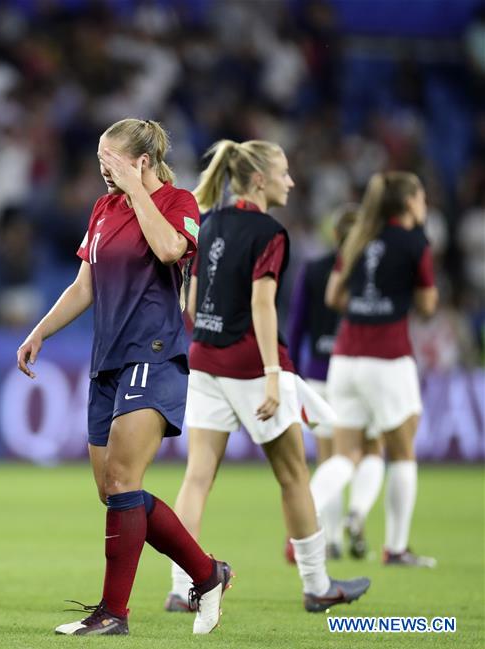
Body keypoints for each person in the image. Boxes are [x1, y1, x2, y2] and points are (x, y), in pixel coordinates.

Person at [17, 119, 231, 637]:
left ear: (141, 161)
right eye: (98, 160)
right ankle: (208, 573)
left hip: (155, 354)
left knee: (122, 483)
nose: (102, 169)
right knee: (113, 493)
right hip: (107, 358)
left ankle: (114, 613)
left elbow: (168, 251)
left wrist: (137, 189)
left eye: (110, 160)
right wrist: (40, 331)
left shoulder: (180, 204)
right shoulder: (103, 209)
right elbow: (84, 285)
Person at [165, 139, 371, 615]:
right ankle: (318, 585)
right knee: (294, 475)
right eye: (284, 172)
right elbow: (262, 304)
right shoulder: (270, 233)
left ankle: (181, 588)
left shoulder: (209, 222)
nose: (291, 181)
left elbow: (191, 306)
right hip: (252, 367)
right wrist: (274, 376)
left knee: (197, 478)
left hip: (204, 361)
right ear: (260, 179)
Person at [311, 172, 438, 568]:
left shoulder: (358, 236)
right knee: (400, 452)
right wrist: (396, 297)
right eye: (421, 196)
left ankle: (302, 515)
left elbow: (334, 296)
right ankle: (396, 548)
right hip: (388, 357)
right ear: (409, 202)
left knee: (345, 454)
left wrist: (365, 301)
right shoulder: (416, 241)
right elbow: (429, 305)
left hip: (346, 358)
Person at [288, 207, 385, 561]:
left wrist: (294, 374)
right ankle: (356, 515)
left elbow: (296, 325)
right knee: (371, 449)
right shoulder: (369, 272)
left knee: (329, 457)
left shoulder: (313, 270)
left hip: (318, 375)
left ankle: (329, 541)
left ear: (334, 235)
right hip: (361, 371)